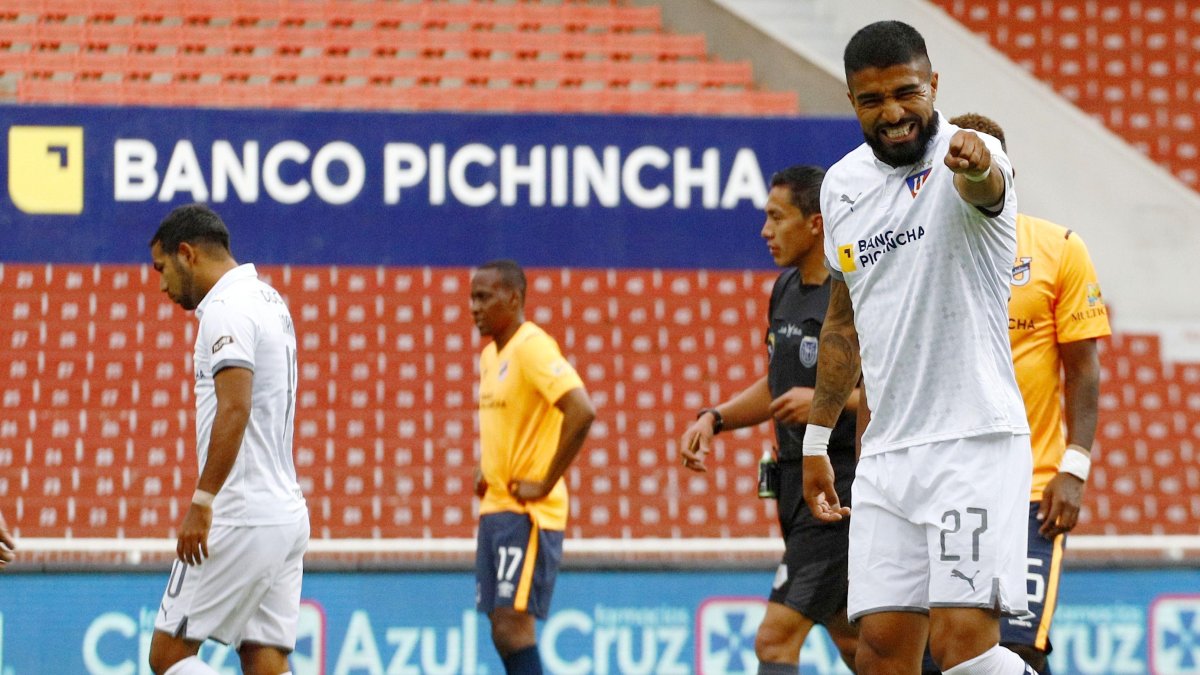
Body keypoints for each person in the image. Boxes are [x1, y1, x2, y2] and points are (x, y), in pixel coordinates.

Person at [800, 21, 1038, 675]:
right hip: (886, 456)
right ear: (852, 102)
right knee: (878, 655)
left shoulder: (970, 152)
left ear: (933, 84)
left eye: (907, 92)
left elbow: (987, 187)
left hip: (973, 443)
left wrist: (980, 167)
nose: (894, 111)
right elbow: (842, 322)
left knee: (962, 646)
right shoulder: (842, 186)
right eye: (872, 100)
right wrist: (817, 440)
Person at [934, 113, 1109, 675]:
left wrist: (1074, 468)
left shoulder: (1059, 248)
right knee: (949, 655)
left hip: (1032, 487)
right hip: (947, 482)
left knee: (1017, 646)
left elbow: (1083, 369)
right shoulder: (922, 257)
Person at [679, 165, 859, 675]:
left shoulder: (852, 296)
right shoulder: (784, 290)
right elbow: (777, 385)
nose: (765, 230)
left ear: (816, 223)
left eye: (777, 217)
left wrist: (827, 403)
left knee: (774, 640)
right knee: (857, 641)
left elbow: (889, 392)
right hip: (792, 487)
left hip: (839, 490)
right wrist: (714, 419)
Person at [147, 204, 309, 675]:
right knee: (265, 659)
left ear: (186, 253)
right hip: (285, 513)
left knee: (169, 656)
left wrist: (203, 499)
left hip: (238, 513)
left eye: (162, 269)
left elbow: (235, 406)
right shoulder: (268, 299)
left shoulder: (224, 308)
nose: (161, 286)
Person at [470, 259, 596, 675]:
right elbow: (511, 418)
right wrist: (484, 466)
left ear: (514, 297)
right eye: (472, 297)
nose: (474, 307)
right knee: (500, 627)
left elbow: (581, 410)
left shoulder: (532, 346)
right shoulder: (491, 356)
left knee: (512, 626)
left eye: (483, 297)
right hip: (497, 509)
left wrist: (544, 482)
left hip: (528, 513)